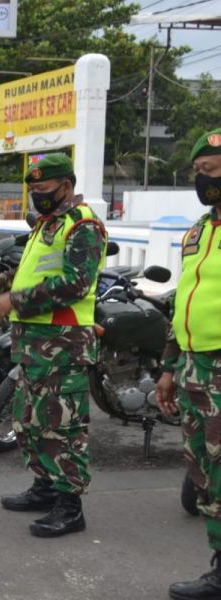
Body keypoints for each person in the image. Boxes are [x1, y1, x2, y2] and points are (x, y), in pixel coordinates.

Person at [0, 153, 106, 538]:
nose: (37, 197)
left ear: (66, 186)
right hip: (34, 341)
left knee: (62, 425)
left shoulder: (84, 226)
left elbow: (76, 283)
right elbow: (31, 272)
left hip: (63, 342)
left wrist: (15, 301)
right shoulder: (48, 225)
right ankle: (45, 486)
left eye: (43, 190)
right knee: (31, 420)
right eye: (34, 190)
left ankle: (70, 505)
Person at [156, 127, 221, 600]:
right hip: (194, 368)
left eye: (214, 171)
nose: (206, 181)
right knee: (203, 471)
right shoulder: (199, 230)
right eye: (200, 173)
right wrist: (168, 367)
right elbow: (183, 301)